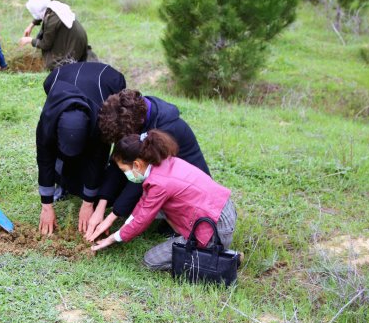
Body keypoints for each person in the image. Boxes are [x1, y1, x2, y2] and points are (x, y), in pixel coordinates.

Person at [87, 130, 237, 271]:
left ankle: (225, 258)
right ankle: (189, 238)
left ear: (137, 164)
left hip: (215, 226)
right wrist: (124, 226)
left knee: (151, 261)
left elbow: (142, 219)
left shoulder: (160, 184)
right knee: (155, 209)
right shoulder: (162, 162)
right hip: (219, 209)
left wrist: (112, 239)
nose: (125, 174)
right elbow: (143, 207)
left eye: (124, 170)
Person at [85, 89, 210, 238]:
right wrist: (101, 206)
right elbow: (118, 162)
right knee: (117, 192)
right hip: (158, 177)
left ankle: (175, 222)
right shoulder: (130, 117)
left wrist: (111, 217)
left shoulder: (167, 129)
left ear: (136, 127)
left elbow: (142, 179)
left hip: (188, 193)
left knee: (135, 199)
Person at [36, 62, 126, 235]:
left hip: (104, 79)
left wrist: (88, 203)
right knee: (59, 164)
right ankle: (63, 185)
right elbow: (44, 159)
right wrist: (46, 205)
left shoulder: (101, 121)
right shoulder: (47, 124)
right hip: (62, 76)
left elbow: (97, 160)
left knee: (92, 165)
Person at [19, 0, 90, 70]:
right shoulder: (54, 6)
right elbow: (41, 14)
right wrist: (31, 25)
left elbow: (45, 44)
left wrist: (29, 40)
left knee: (53, 63)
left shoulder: (52, 20)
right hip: (79, 38)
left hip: (73, 42)